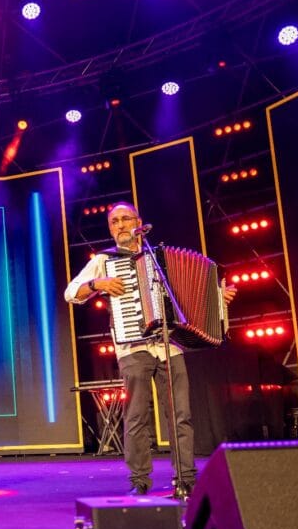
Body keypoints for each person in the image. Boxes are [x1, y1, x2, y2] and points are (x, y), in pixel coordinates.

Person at [64, 202, 235, 496]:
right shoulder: (105, 260)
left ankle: (186, 480)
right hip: (132, 347)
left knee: (181, 415)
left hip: (170, 345)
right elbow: (71, 293)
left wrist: (219, 299)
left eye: (125, 219)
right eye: (114, 221)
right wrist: (97, 284)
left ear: (138, 223)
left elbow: (192, 295)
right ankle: (140, 481)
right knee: (136, 417)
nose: (120, 225)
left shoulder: (160, 259)